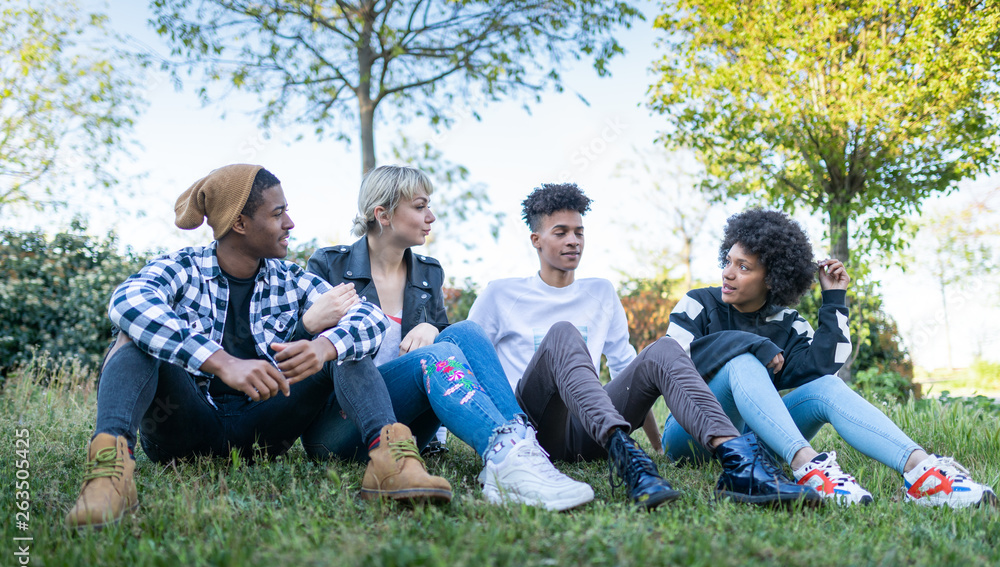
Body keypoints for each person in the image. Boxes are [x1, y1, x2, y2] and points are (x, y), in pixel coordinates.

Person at [65, 164, 399, 529]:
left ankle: (393, 463)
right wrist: (219, 360)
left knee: (345, 345)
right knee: (135, 335)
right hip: (183, 428)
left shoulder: (292, 279)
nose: (290, 223)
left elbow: (371, 319)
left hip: (264, 430)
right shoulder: (184, 268)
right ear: (239, 223)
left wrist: (324, 347)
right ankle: (108, 475)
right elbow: (128, 301)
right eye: (277, 213)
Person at [467, 183, 820, 508]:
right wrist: (446, 438)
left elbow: (626, 368)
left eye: (579, 232)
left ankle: (739, 463)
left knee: (664, 348)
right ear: (536, 239)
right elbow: (467, 362)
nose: (573, 240)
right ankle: (626, 458)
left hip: (589, 433)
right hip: (535, 427)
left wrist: (657, 446)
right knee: (562, 333)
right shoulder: (501, 293)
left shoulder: (601, 291)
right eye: (560, 232)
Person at [303, 165, 594, 511]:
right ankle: (505, 454)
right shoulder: (330, 265)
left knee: (465, 330)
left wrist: (434, 328)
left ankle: (520, 445)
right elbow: (316, 353)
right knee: (434, 355)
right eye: (420, 206)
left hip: (408, 426)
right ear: (382, 214)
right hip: (340, 426)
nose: (431, 216)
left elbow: (445, 344)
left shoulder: (428, 272)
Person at [662, 208, 997, 508]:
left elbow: (825, 364)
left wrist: (834, 297)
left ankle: (922, 474)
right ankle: (808, 469)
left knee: (827, 386)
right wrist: (749, 344)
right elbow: (671, 362)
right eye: (729, 261)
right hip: (690, 435)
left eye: (743, 267)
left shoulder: (789, 324)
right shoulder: (698, 303)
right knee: (742, 361)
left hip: (754, 440)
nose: (728, 273)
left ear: (772, 278)